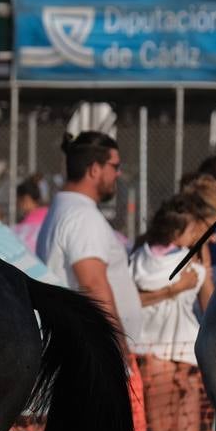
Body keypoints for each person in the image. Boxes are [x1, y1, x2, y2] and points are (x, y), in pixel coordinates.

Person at [129, 194, 214, 431]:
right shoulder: (168, 263)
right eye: (197, 228)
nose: (203, 233)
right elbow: (208, 301)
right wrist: (176, 287)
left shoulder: (145, 258)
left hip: (176, 357)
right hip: (166, 359)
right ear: (180, 230)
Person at [36, 131, 143, 352]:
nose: (118, 173)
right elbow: (93, 284)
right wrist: (119, 351)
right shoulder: (82, 215)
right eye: (115, 166)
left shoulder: (65, 208)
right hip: (91, 349)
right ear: (94, 169)